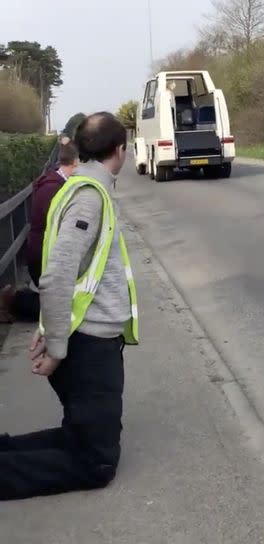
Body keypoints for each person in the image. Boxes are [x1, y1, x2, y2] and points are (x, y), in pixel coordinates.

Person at [0, 112, 139, 501]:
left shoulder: (81, 188)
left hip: (89, 340)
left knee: (78, 439)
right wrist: (57, 346)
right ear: (120, 150)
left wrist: (50, 329)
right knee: (94, 462)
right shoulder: (90, 197)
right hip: (88, 347)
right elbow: (59, 274)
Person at [0, 142, 79, 324]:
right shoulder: (54, 189)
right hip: (43, 257)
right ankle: (11, 300)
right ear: (76, 162)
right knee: (59, 310)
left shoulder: (55, 183)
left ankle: (14, 299)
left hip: (44, 254)